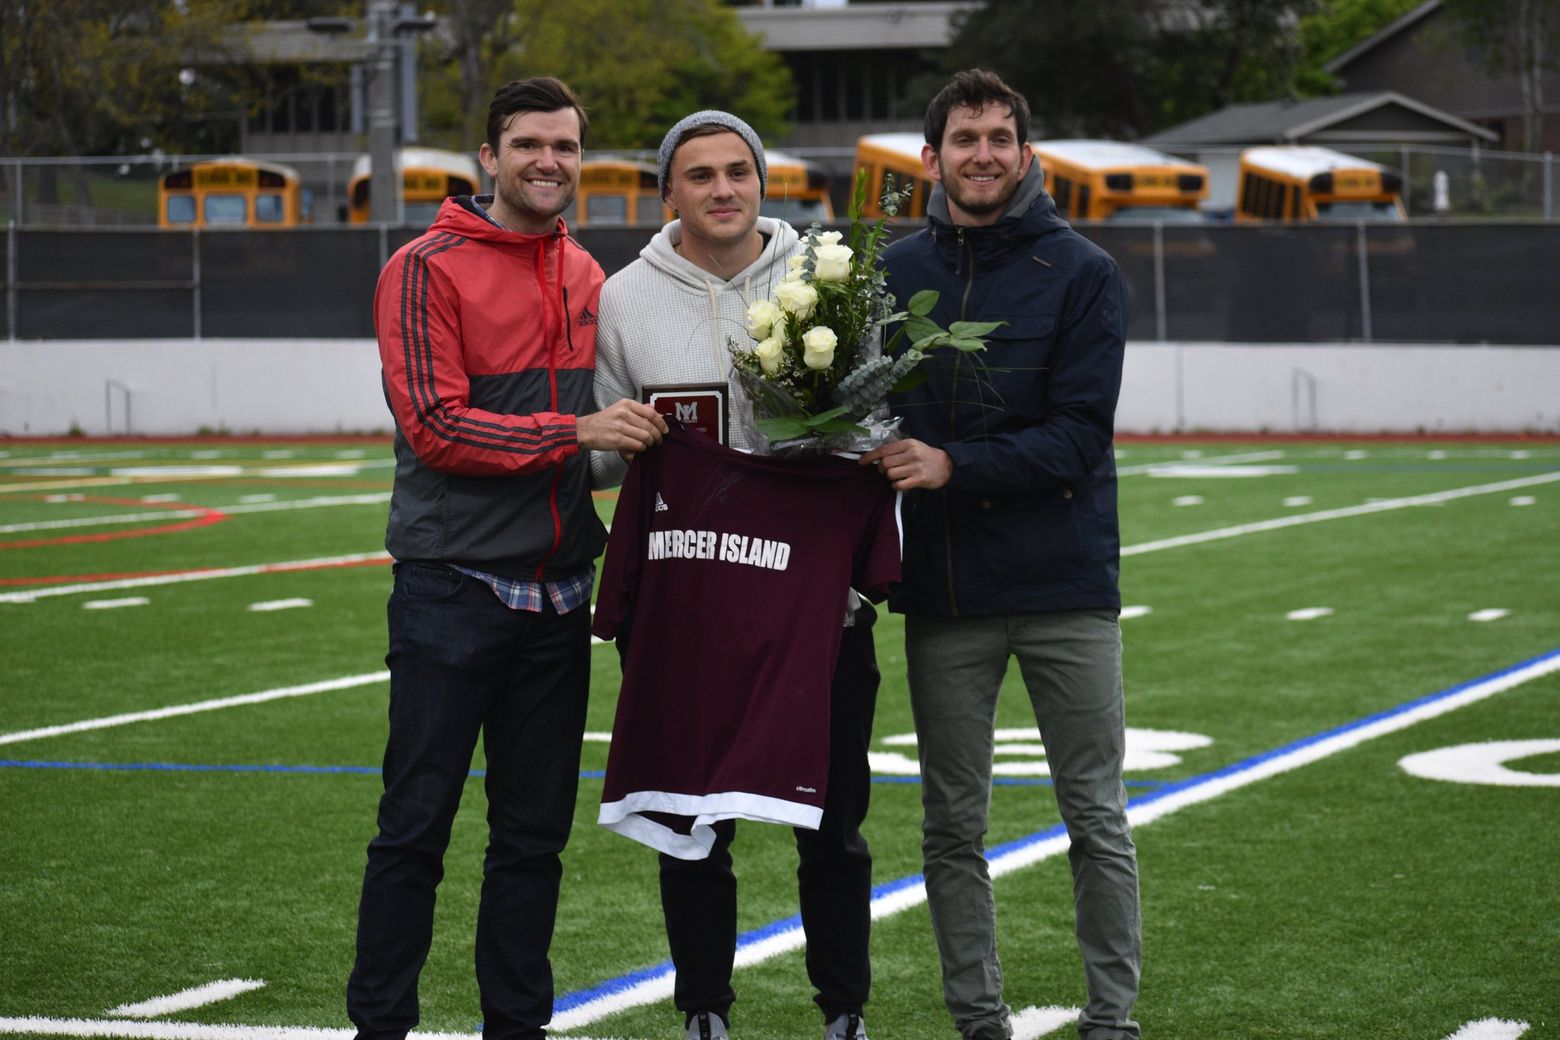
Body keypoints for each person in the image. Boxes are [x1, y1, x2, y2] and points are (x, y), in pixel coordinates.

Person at [346, 76, 667, 1040]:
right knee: (414, 832)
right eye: (529, 144)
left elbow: (605, 443)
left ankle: (517, 1029)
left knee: (533, 844)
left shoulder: (588, 275)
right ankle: (379, 1027)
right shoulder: (422, 267)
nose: (548, 163)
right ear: (488, 157)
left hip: (562, 600)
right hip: (454, 592)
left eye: (565, 147)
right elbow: (437, 426)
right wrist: (576, 431)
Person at [859, 69, 1141, 1040]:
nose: (983, 153)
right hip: (948, 591)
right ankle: (979, 1018)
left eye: (999, 137)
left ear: (1027, 155)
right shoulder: (892, 274)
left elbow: (1077, 438)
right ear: (930, 160)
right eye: (964, 138)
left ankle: (1113, 1017)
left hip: (1065, 586)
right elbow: (869, 418)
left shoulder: (1086, 273)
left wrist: (951, 463)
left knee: (1095, 814)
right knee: (952, 826)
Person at [592, 110, 879, 1040]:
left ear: (763, 182)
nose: (723, 189)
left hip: (816, 610)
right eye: (700, 174)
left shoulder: (827, 279)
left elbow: (872, 432)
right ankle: (704, 1010)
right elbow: (603, 455)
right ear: (667, 191)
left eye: (738, 173)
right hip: (691, 612)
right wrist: (617, 438)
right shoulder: (624, 298)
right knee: (692, 821)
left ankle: (844, 1010)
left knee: (830, 823)